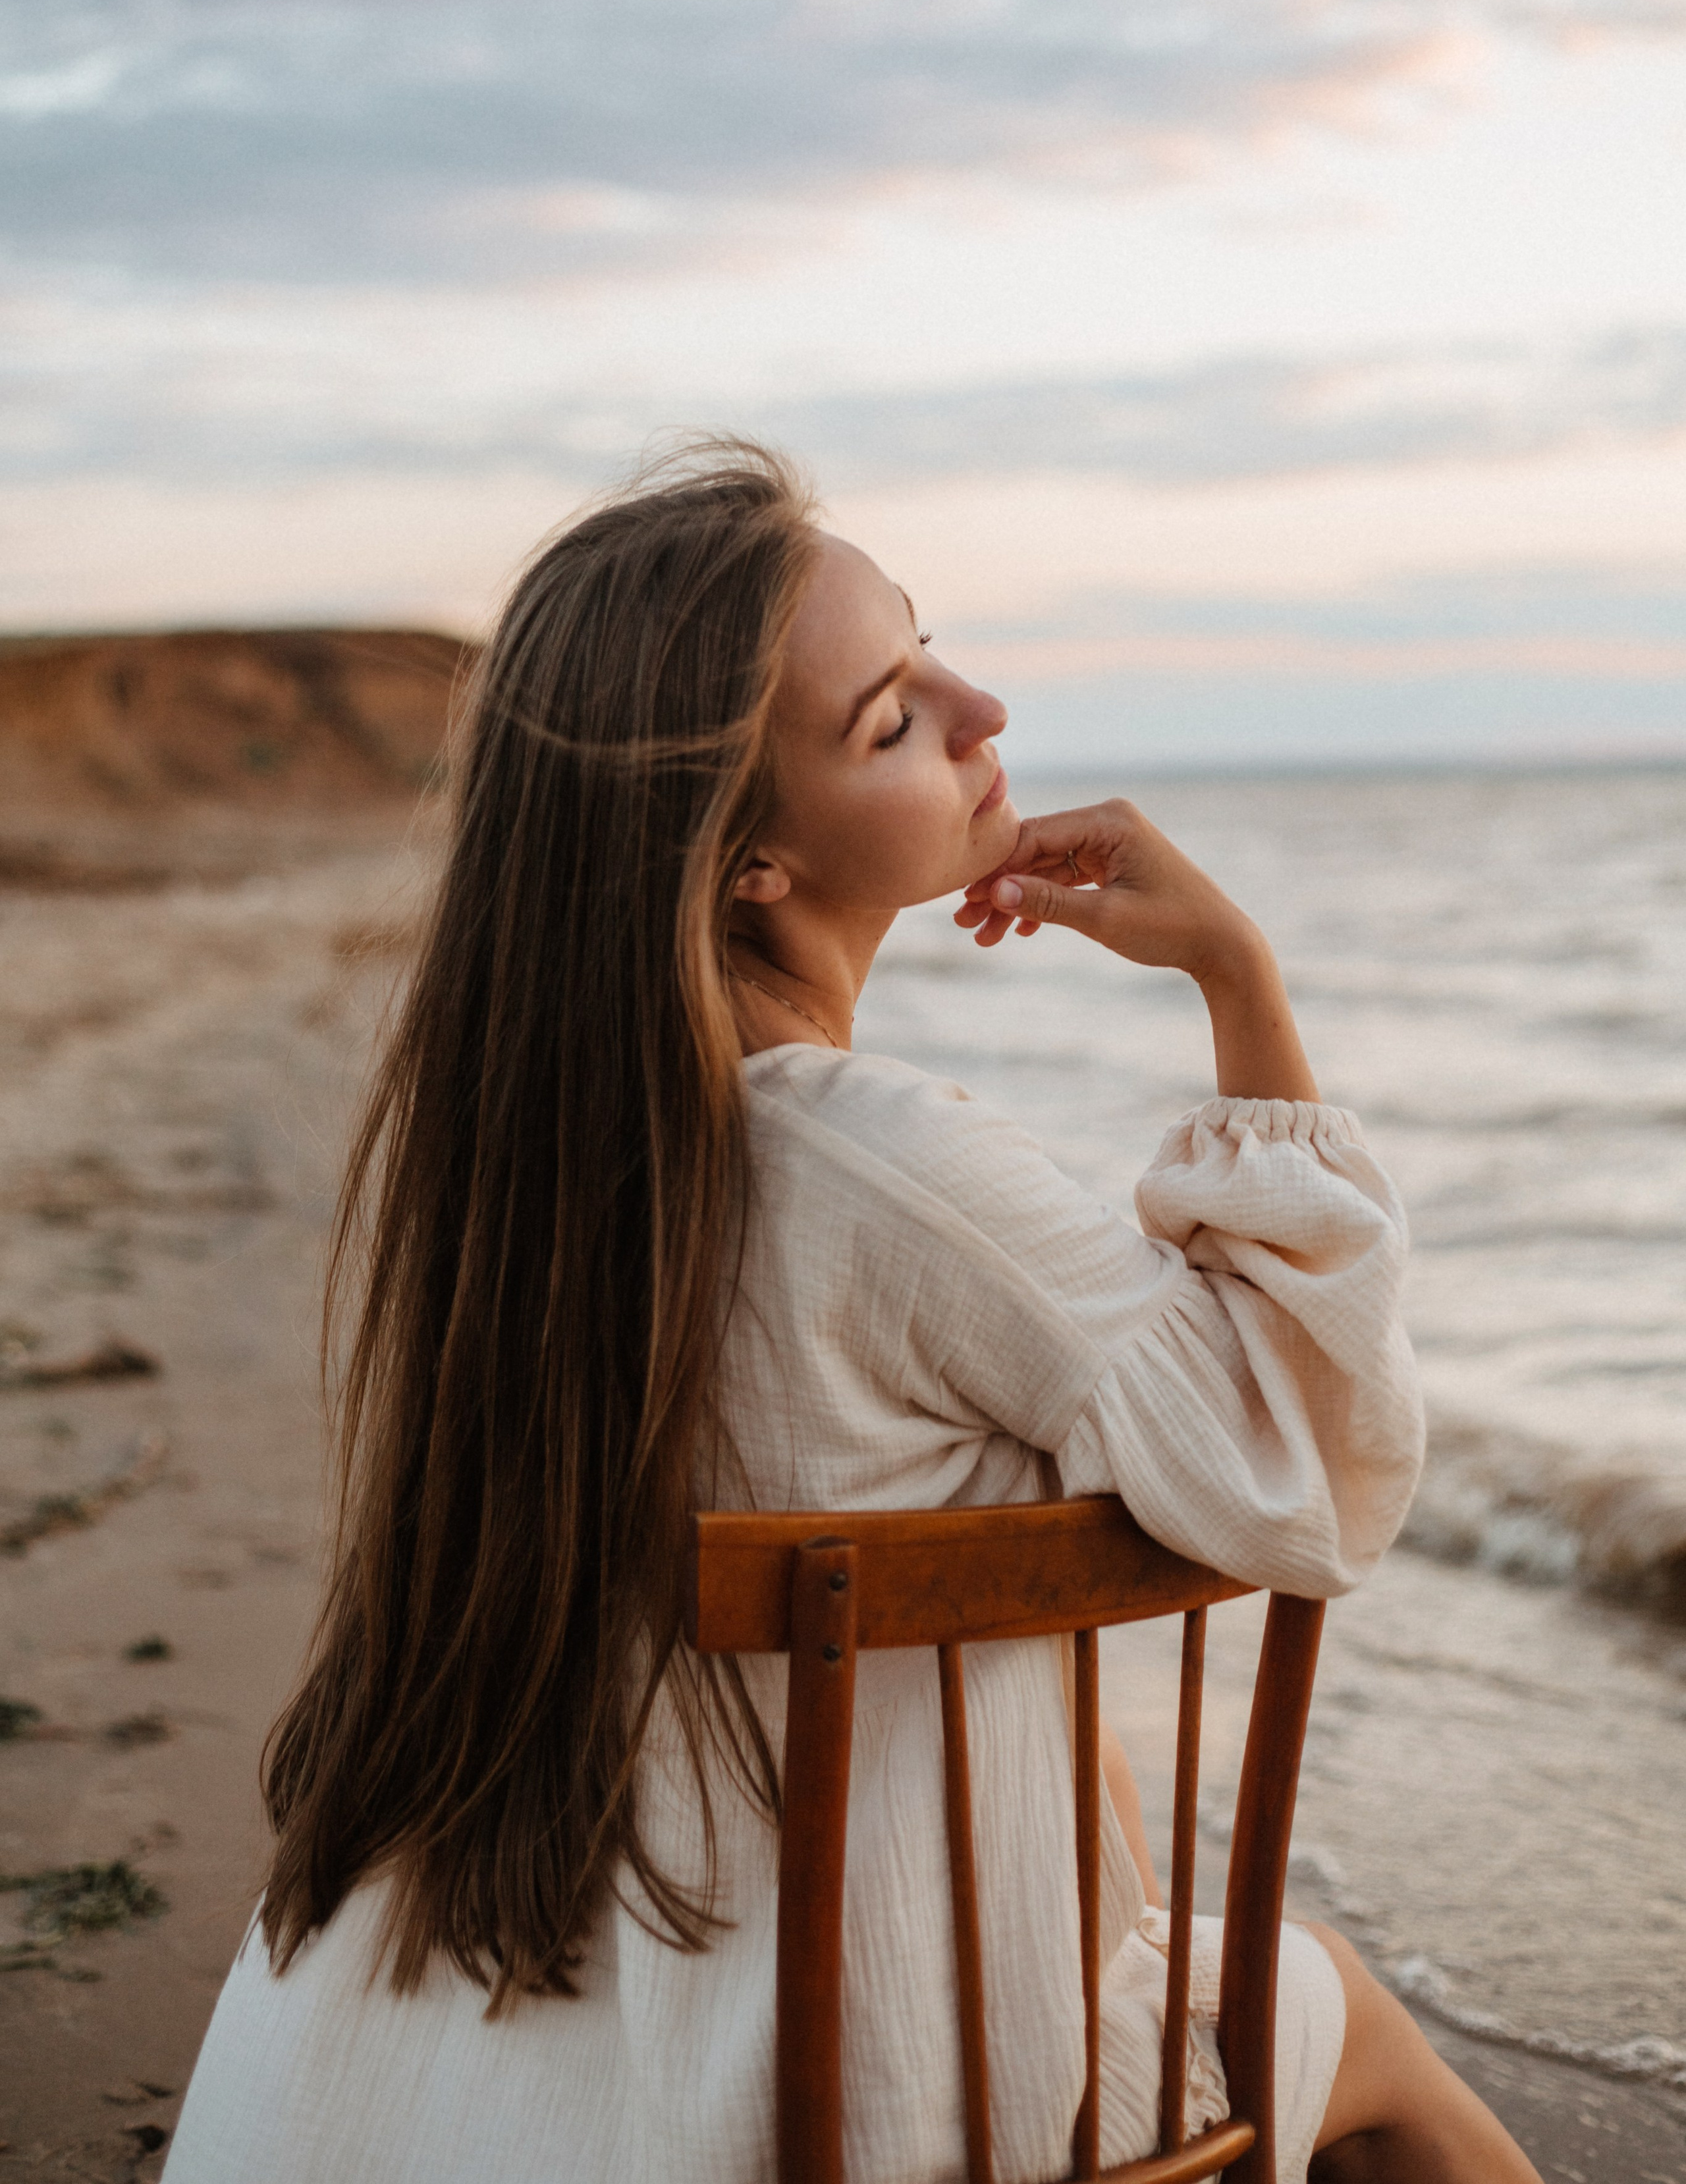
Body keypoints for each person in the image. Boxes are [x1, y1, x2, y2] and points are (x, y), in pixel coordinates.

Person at [164, 442, 1540, 2184]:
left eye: (933, 652)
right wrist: (1239, 981)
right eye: (893, 719)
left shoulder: (529, 1180)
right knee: (1359, 2023)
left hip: (491, 2061)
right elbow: (1309, 1465)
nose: (983, 709)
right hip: (882, 2091)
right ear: (746, 861)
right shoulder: (873, 1167)